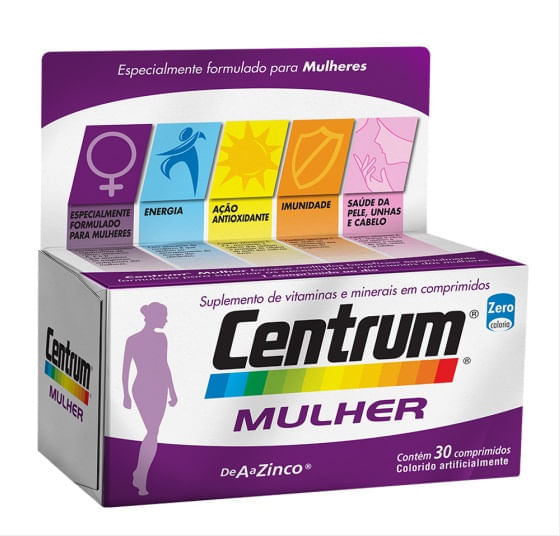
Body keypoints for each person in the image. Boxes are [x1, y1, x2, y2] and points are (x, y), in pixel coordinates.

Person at [122, 302, 177, 496]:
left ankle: (140, 473)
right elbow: (125, 369)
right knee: (152, 431)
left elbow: (164, 365)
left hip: (160, 388)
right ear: (154, 317)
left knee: (154, 432)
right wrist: (126, 394)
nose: (166, 320)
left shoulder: (162, 339)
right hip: (143, 388)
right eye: (163, 316)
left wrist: (172, 391)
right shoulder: (132, 340)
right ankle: (141, 476)